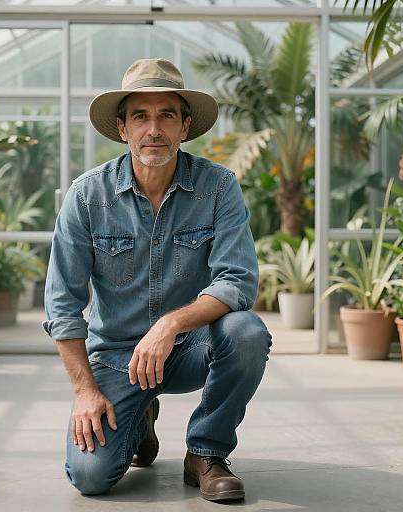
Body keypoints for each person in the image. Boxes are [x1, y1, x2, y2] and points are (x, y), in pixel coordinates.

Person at [42, 58, 273, 503]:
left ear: (185, 126)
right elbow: (62, 307)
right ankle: (138, 419)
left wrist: (168, 326)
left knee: (247, 332)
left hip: (190, 347)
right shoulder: (87, 197)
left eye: (166, 115)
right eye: (140, 116)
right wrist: (85, 392)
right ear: (122, 127)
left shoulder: (218, 186)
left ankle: (206, 452)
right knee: (91, 477)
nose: (154, 129)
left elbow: (237, 280)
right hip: (115, 358)